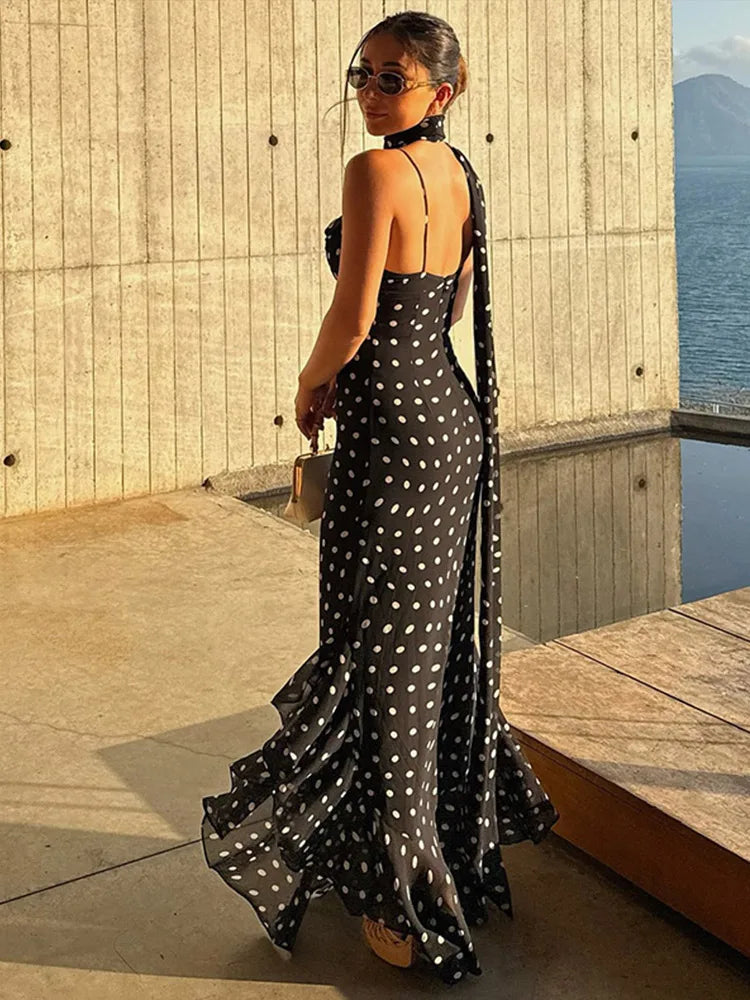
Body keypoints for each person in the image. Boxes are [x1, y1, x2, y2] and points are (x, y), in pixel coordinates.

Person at [201, 10, 560, 986]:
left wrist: (310, 382)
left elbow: (354, 313)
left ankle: (401, 895)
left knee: (379, 654)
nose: (368, 91)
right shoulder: (462, 175)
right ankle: (418, 850)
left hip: (390, 427)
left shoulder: (374, 174)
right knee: (422, 649)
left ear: (443, 89)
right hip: (449, 417)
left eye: (390, 78)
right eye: (361, 73)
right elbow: (450, 303)